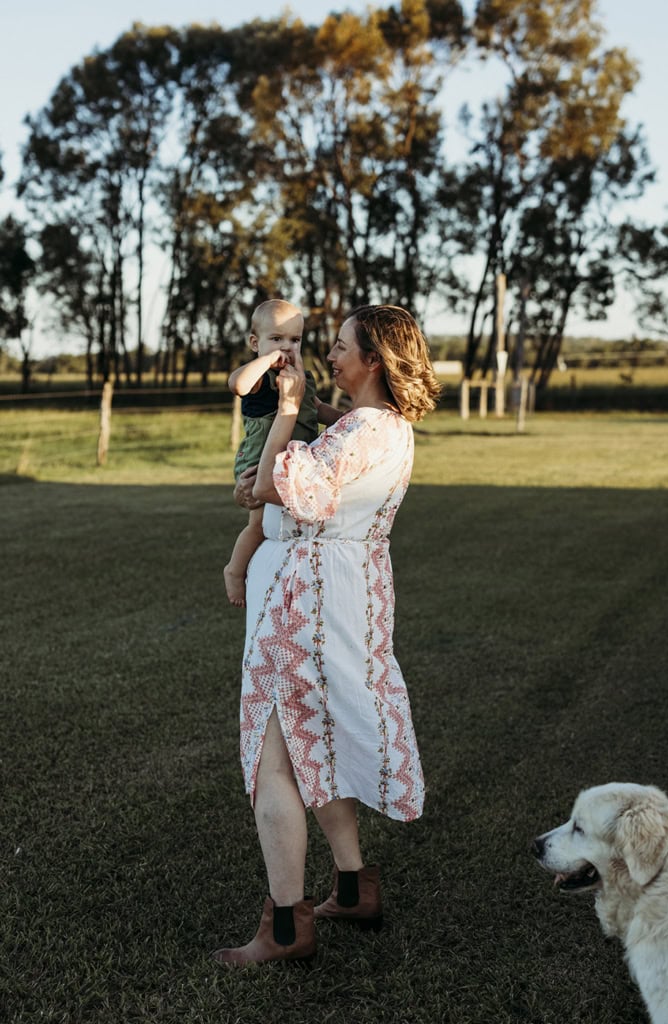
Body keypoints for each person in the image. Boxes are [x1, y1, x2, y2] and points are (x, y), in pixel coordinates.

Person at [213, 305, 441, 966]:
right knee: (316, 740)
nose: (328, 356)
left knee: (272, 758)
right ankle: (350, 884)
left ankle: (285, 929)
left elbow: (270, 485)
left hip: (306, 603)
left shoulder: (357, 431)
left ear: (372, 360)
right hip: (348, 595)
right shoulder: (385, 427)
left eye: (339, 347)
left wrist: (284, 409)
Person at [223, 299, 339, 606]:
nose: (286, 348)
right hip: (260, 464)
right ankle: (234, 570)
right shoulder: (260, 378)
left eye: (294, 340)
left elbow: (318, 410)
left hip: (294, 465)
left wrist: (348, 419)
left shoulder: (303, 378)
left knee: (288, 524)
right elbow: (237, 384)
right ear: (254, 342)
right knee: (259, 523)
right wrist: (268, 358)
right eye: (276, 338)